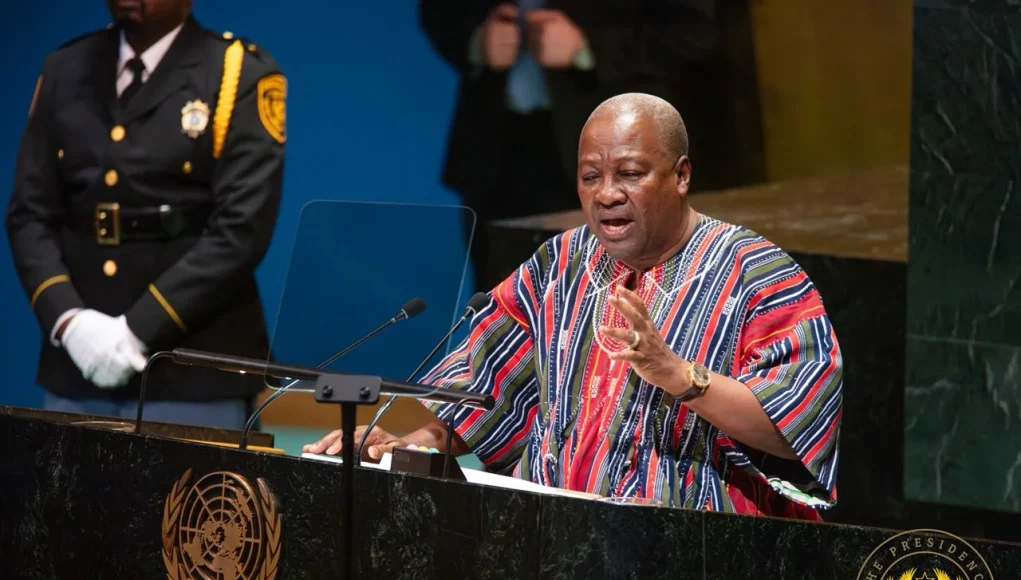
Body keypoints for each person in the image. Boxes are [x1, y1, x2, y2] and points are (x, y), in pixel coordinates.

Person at [305, 94, 843, 519]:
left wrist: (679, 376)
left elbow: (796, 424)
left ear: (681, 175)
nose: (606, 194)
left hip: (691, 540)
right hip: (548, 532)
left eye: (630, 174)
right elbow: (488, 396)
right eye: (591, 177)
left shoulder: (757, 272)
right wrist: (407, 447)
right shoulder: (560, 262)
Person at [5, 0, 286, 429]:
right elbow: (29, 213)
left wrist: (136, 331)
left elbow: (242, 229)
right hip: (78, 366)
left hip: (192, 369)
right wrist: (68, 321)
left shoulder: (237, 72)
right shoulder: (66, 66)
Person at [419, 0, 717, 292]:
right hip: (495, 154)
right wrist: (475, 40)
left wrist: (588, 46)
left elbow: (692, 27)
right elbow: (440, 12)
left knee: (621, 306)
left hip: (618, 152)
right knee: (502, 309)